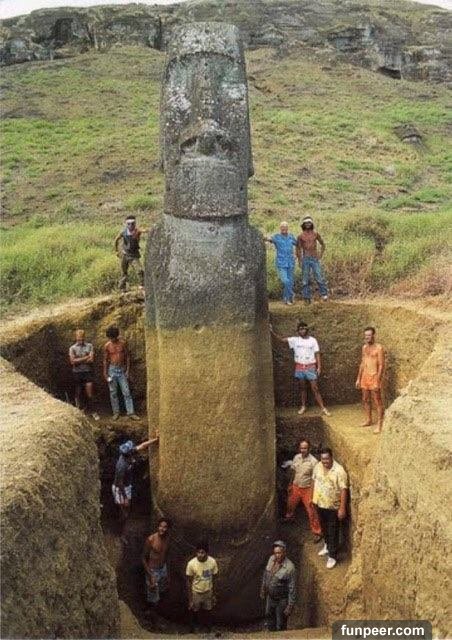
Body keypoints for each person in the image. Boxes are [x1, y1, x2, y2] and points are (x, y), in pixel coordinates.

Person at [271, 321, 331, 416]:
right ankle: (303, 406)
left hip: (310, 367)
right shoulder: (295, 340)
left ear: (307, 329)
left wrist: (319, 367)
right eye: (300, 329)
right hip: (299, 367)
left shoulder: (313, 340)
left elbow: (317, 354)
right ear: (298, 331)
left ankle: (323, 408)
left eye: (304, 329)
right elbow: (281, 340)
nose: (302, 331)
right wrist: (271, 332)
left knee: (315, 388)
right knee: (302, 388)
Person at [112, 436, 158, 541]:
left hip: (127, 485)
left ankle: (121, 524)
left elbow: (142, 446)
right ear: (127, 454)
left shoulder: (129, 452)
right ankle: (120, 533)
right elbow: (119, 483)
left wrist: (155, 440)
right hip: (120, 489)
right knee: (124, 511)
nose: (133, 450)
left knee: (126, 510)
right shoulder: (121, 466)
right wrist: (125, 498)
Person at [312, 447, 348, 569]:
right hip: (320, 503)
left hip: (333, 507)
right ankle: (327, 546)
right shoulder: (318, 466)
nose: (324, 461)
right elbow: (314, 481)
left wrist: (342, 508)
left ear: (332, 457)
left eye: (327, 459)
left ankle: (332, 556)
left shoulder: (339, 471)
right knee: (324, 527)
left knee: (333, 531)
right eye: (323, 459)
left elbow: (343, 490)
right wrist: (312, 498)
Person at [282, 439, 322, 541]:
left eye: (305, 448)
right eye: (301, 448)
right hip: (296, 486)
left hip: (307, 489)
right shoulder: (296, 457)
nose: (303, 450)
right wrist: (290, 484)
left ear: (309, 448)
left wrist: (313, 493)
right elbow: (293, 472)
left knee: (311, 511)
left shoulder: (314, 462)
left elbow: (315, 479)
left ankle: (317, 531)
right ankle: (289, 518)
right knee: (290, 504)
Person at [103, 325, 139, 420]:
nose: (112, 339)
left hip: (121, 370)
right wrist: (105, 374)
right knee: (113, 393)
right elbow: (105, 360)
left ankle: (131, 412)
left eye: (113, 337)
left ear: (117, 336)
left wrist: (127, 370)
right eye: (110, 338)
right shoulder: (107, 346)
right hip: (112, 370)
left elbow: (127, 357)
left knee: (126, 392)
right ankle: (116, 412)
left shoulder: (122, 344)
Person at [260, 540, 296, 631]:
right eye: (275, 553)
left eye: (279, 553)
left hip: (281, 600)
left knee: (281, 624)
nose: (277, 555)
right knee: (269, 619)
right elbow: (266, 574)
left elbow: (292, 588)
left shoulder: (290, 567)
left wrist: (290, 606)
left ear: (284, 552)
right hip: (270, 598)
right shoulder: (271, 559)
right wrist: (263, 588)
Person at [355, 326, 385, 434]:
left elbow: (381, 365)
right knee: (365, 399)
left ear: (373, 335)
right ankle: (368, 419)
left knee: (377, 400)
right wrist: (358, 378)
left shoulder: (379, 348)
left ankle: (379, 424)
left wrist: (378, 380)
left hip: (374, 376)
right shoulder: (364, 348)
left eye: (369, 335)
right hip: (365, 376)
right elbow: (362, 363)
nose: (367, 337)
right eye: (366, 335)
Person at [186, 541, 219, 632]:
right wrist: (190, 599)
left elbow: (215, 578)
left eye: (202, 552)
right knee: (194, 610)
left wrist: (214, 594)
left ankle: (208, 628)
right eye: (198, 552)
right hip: (196, 592)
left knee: (208, 610)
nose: (200, 555)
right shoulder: (191, 564)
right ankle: (193, 629)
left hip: (208, 591)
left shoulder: (212, 562)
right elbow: (188, 582)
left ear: (207, 553)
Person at [68, 329, 99, 420]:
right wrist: (86, 357)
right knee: (78, 392)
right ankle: (79, 412)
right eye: (78, 339)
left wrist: (78, 360)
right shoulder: (72, 348)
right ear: (76, 338)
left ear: (84, 337)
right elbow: (72, 362)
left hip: (87, 372)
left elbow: (91, 360)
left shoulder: (89, 346)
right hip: (77, 373)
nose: (80, 341)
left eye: (82, 339)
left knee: (90, 393)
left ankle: (93, 412)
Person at [296, 216, 328, 303]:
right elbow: (298, 248)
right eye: (306, 223)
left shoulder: (315, 234)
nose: (308, 224)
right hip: (305, 259)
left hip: (314, 258)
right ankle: (306, 297)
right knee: (305, 279)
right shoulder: (300, 236)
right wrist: (299, 260)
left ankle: (324, 294)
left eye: (309, 223)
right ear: (303, 224)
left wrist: (320, 255)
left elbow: (323, 244)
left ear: (312, 224)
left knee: (319, 276)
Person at [142, 518, 171, 612]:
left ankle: (157, 609)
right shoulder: (151, 539)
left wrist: (168, 573)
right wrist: (150, 575)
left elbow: (167, 555)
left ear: (168, 529)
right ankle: (149, 613)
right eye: (160, 526)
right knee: (152, 595)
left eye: (165, 527)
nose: (162, 529)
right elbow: (143, 558)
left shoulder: (167, 539)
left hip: (163, 569)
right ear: (157, 527)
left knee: (162, 590)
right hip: (152, 570)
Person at [265, 222, 297, 305]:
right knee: (285, 281)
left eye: (285, 227)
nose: (284, 228)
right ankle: (291, 295)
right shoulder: (277, 237)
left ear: (288, 228)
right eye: (282, 227)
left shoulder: (291, 236)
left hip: (290, 262)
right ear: (280, 228)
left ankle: (287, 299)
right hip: (281, 262)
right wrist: (263, 237)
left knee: (290, 282)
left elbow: (298, 244)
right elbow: (269, 239)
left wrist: (296, 254)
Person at [114, 215, 145, 292]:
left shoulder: (137, 231)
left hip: (134, 255)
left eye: (132, 224)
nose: (131, 226)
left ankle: (142, 285)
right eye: (129, 224)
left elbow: (145, 230)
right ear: (126, 224)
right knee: (123, 272)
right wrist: (116, 251)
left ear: (135, 224)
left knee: (139, 270)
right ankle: (122, 288)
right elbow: (116, 239)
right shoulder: (123, 232)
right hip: (125, 254)